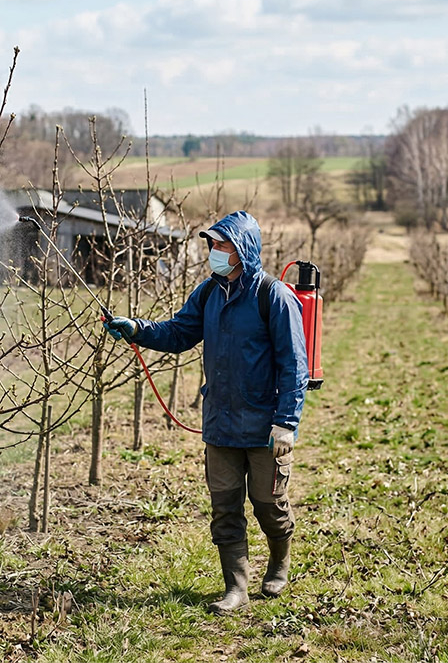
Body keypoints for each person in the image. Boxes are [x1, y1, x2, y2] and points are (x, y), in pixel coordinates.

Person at [104, 210, 309, 614]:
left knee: (269, 504)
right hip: (220, 423)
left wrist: (286, 422)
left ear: (244, 249)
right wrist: (138, 329)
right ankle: (236, 587)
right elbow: (179, 333)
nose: (214, 252)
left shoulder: (274, 297)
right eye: (212, 244)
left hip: (266, 425)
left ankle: (279, 561)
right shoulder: (209, 293)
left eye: (222, 245)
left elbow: (294, 365)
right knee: (225, 506)